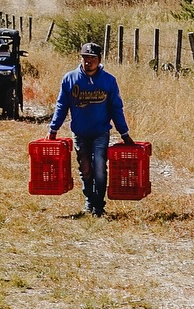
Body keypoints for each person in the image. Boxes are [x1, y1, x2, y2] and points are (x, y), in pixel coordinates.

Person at [48, 41, 132, 216]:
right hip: (80, 132)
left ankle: (99, 205)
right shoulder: (70, 79)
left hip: (100, 132)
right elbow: (61, 105)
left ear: (99, 59)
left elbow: (116, 108)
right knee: (85, 167)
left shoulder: (109, 81)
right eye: (85, 57)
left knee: (100, 166)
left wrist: (124, 133)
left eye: (92, 58)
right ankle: (89, 200)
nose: (88, 61)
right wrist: (53, 129)